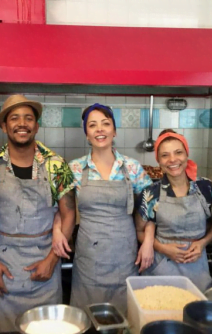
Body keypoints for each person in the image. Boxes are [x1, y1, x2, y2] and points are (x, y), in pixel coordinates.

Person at [0, 94, 76, 333]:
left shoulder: (55, 165)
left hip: (44, 269)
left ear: (36, 126)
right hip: (3, 269)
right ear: (4, 126)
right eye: (15, 118)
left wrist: (52, 261)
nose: (22, 123)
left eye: (29, 118)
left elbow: (69, 213)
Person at [66, 103, 153, 315]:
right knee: (86, 319)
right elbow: (63, 209)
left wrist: (148, 241)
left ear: (115, 131)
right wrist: (59, 233)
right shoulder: (75, 169)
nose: (100, 130)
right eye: (93, 125)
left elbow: (150, 210)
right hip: (89, 259)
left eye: (106, 124)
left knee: (124, 319)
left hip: (125, 257)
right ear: (86, 134)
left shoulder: (132, 167)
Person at [135, 129, 212, 291]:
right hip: (161, 269)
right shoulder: (151, 193)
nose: (172, 160)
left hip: (197, 269)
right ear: (159, 161)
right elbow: (139, 231)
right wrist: (162, 248)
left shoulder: (205, 188)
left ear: (187, 154)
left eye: (178, 152)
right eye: (165, 155)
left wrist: (202, 243)